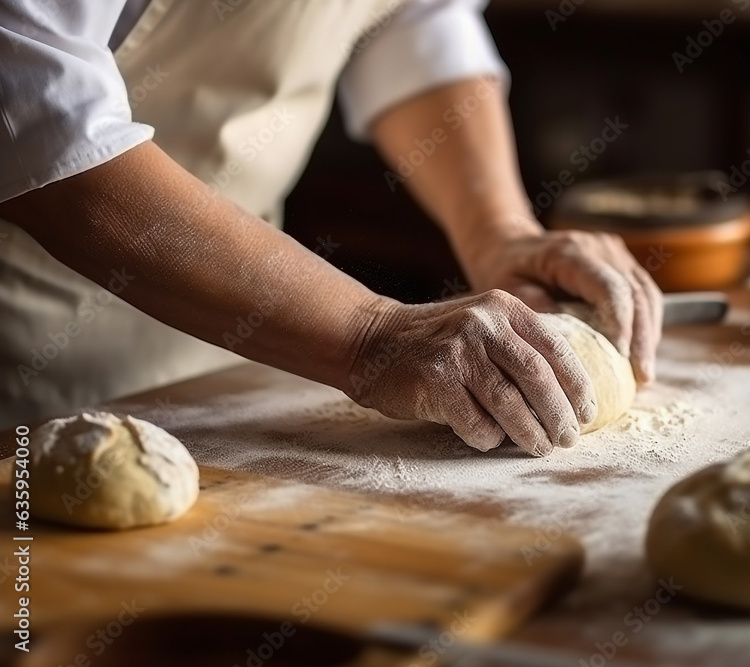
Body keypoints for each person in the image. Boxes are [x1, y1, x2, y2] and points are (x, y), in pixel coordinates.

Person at [0, 0, 662, 455]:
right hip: (26, 370)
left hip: (240, 353)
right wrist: (369, 335)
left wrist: (500, 231)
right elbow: (39, 121)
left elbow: (411, 25)